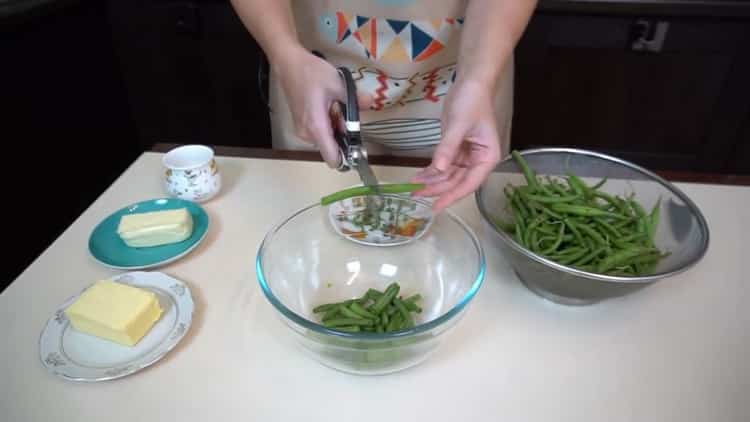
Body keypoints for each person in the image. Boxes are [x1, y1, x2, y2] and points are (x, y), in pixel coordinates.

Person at [230, 0, 536, 213]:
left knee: (455, 229)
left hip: (466, 85)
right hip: (313, 82)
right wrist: (284, 54)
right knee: (315, 231)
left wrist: (478, 80)